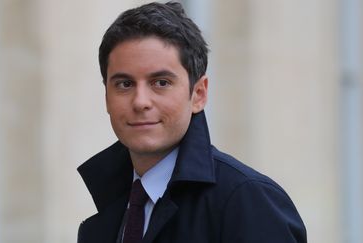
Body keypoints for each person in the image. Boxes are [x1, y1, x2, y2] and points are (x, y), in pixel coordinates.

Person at [77, 2, 307, 243]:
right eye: (125, 84)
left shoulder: (246, 201)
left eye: (161, 82)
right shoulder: (107, 215)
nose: (140, 102)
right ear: (106, 97)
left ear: (198, 94)